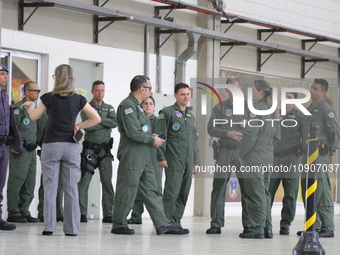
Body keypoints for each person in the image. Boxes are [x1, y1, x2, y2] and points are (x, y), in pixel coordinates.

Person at [21, 64, 100, 236]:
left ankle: (49, 227)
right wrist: (78, 125)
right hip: (71, 146)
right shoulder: (78, 99)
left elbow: (35, 117)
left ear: (56, 77)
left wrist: (30, 107)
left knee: (50, 186)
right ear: (72, 78)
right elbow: (96, 118)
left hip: (51, 145)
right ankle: (71, 229)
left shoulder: (48, 97)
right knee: (71, 188)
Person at [111, 75, 185, 235]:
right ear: (142, 89)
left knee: (152, 190)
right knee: (127, 188)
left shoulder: (138, 107)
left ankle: (162, 223)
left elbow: (143, 130)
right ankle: (119, 223)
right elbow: (133, 132)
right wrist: (152, 140)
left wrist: (153, 138)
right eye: (150, 88)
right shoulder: (127, 106)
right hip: (132, 155)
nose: (151, 91)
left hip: (145, 155)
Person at [154, 82, 200, 233]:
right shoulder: (167, 113)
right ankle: (165, 222)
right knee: (171, 192)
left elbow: (194, 141)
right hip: (173, 159)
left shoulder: (190, 116)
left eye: (187, 94)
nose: (186, 97)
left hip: (188, 160)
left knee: (184, 191)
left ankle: (175, 222)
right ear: (175, 95)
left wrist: (196, 161)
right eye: (182, 94)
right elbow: (160, 136)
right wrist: (161, 156)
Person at [206, 76, 249, 234]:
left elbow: (260, 128)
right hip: (224, 150)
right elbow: (211, 128)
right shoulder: (220, 107)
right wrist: (227, 133)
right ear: (226, 90)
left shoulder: (249, 108)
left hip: (242, 152)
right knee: (218, 186)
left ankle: (249, 224)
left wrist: (248, 125)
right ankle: (216, 223)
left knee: (247, 187)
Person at [297, 79, 340, 238]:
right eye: (311, 88)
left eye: (315, 89)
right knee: (307, 189)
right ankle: (312, 225)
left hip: (319, 156)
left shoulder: (326, 110)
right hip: (307, 155)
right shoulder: (308, 109)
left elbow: (334, 134)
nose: (312, 90)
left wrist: (330, 152)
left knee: (321, 189)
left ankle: (327, 225)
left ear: (323, 92)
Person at [239, 80, 280, 239]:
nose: (252, 93)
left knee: (255, 192)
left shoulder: (257, 110)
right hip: (267, 155)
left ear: (261, 92)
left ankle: (256, 228)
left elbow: (250, 136)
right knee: (264, 192)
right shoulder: (273, 111)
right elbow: (277, 136)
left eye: (254, 90)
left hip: (254, 156)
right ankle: (266, 227)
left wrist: (242, 153)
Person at [78, 80, 116, 223]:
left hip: (105, 151)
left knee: (107, 182)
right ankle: (81, 213)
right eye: (97, 90)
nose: (100, 93)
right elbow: (87, 127)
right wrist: (102, 123)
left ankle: (108, 214)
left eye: (102, 90)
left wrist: (96, 121)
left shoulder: (110, 108)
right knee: (84, 182)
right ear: (92, 91)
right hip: (90, 150)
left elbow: (115, 122)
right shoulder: (86, 107)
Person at [268, 92, 303, 235]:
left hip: (292, 158)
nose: (286, 100)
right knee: (268, 191)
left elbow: (306, 135)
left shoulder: (300, 116)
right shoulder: (274, 114)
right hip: (274, 157)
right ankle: (265, 222)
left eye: (290, 98)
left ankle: (285, 224)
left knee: (290, 192)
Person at [7, 81, 40, 223]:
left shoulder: (35, 109)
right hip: (21, 150)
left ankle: (24, 210)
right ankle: (13, 211)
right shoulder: (18, 108)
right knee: (17, 179)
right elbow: (13, 128)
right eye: (35, 91)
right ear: (27, 92)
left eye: (39, 91)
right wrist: (14, 145)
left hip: (32, 151)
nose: (38, 93)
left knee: (30, 181)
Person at [127, 96, 162, 225]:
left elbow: (163, 135)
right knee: (137, 187)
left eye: (151, 104)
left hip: (154, 157)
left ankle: (159, 219)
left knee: (155, 188)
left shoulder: (157, 121)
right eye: (145, 103)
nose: (148, 106)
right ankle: (136, 216)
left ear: (154, 106)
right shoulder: (139, 120)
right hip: (140, 156)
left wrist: (156, 137)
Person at [36, 112, 64, 223]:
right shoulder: (46, 114)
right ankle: (43, 212)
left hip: (62, 149)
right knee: (47, 183)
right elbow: (40, 135)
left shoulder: (63, 112)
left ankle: (58, 212)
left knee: (60, 184)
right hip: (49, 149)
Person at [0, 64, 17, 230]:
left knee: (0, 184)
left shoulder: (5, 96)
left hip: (4, 145)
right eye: (3, 74)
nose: (6, 77)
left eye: (6, 74)